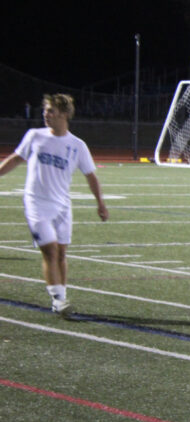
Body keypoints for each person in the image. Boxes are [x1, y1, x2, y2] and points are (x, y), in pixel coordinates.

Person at [0, 94, 108, 316]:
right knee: (49, 250)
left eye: (51, 111)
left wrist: (100, 204)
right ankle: (58, 300)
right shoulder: (34, 136)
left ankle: (61, 296)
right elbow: (15, 159)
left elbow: (91, 176)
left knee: (60, 254)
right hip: (36, 204)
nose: (45, 114)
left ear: (65, 114)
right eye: (45, 110)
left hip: (62, 206)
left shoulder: (77, 145)